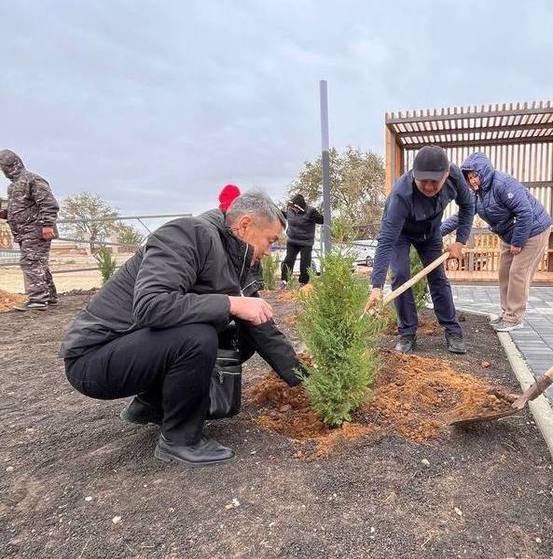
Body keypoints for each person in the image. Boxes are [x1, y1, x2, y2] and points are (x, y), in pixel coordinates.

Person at [60, 191, 307, 467]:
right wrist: (229, 303)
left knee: (238, 334)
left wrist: (304, 379)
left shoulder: (237, 257)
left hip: (133, 349)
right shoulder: (188, 234)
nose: (269, 251)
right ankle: (180, 440)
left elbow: (260, 325)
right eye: (270, 241)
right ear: (246, 225)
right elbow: (151, 306)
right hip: (94, 359)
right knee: (196, 337)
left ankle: (152, 405)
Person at [364, 145, 475, 354]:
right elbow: (386, 241)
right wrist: (376, 286)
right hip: (401, 234)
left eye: (434, 181)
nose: (428, 186)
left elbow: (468, 207)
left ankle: (453, 330)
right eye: (422, 180)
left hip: (431, 232)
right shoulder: (400, 196)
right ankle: (407, 333)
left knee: (438, 278)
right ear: (414, 174)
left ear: (446, 174)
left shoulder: (455, 177)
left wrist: (460, 241)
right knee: (400, 276)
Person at [441, 153, 551, 332]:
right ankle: (506, 313)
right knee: (504, 273)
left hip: (533, 230)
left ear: (483, 172)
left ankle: (514, 317)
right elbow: (461, 217)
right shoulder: (477, 194)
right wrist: (435, 232)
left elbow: (525, 212)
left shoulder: (503, 184)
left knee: (518, 272)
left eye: (475, 176)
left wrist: (518, 242)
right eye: (469, 178)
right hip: (511, 234)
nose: (473, 181)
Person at [0, 150, 59, 311]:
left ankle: (37, 300)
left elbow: (49, 204)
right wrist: (5, 214)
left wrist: (47, 225)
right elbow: (22, 207)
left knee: (31, 262)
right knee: (38, 263)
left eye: (3, 166)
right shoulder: (13, 186)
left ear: (11, 165)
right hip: (24, 232)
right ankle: (50, 296)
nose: (2, 171)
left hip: (37, 229)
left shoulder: (32, 180)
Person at [280, 194, 323, 287]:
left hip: (306, 242)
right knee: (288, 260)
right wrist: (277, 212)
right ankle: (284, 281)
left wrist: (323, 216)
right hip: (292, 241)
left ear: (300, 207)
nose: (293, 209)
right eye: (292, 207)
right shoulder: (290, 210)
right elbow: (286, 215)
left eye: (295, 208)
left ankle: (303, 282)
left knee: (305, 263)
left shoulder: (311, 212)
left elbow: (322, 220)